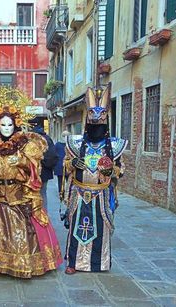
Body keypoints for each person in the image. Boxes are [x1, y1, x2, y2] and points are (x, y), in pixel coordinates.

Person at [0, 87, 62, 278]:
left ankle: (22, 264)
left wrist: (22, 162)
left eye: (10, 125)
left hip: (19, 196)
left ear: (16, 126)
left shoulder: (26, 146)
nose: (7, 129)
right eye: (3, 125)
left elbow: (36, 171)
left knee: (22, 233)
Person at [63, 85, 127, 275]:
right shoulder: (74, 144)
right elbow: (66, 166)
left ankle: (99, 262)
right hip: (79, 193)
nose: (96, 125)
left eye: (100, 122)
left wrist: (110, 170)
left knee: (100, 228)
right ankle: (74, 262)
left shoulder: (115, 146)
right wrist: (73, 162)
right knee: (76, 226)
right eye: (93, 122)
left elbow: (121, 170)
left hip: (101, 194)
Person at [31, 119, 58, 210]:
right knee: (43, 193)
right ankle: (44, 214)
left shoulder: (32, 139)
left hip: (33, 172)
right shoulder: (47, 139)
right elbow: (53, 155)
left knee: (32, 195)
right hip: (45, 172)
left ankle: (34, 216)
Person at [54, 130, 70, 198]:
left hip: (59, 166)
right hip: (68, 166)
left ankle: (61, 194)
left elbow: (54, 154)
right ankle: (68, 194)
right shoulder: (69, 145)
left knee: (60, 181)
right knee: (69, 181)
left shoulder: (57, 144)